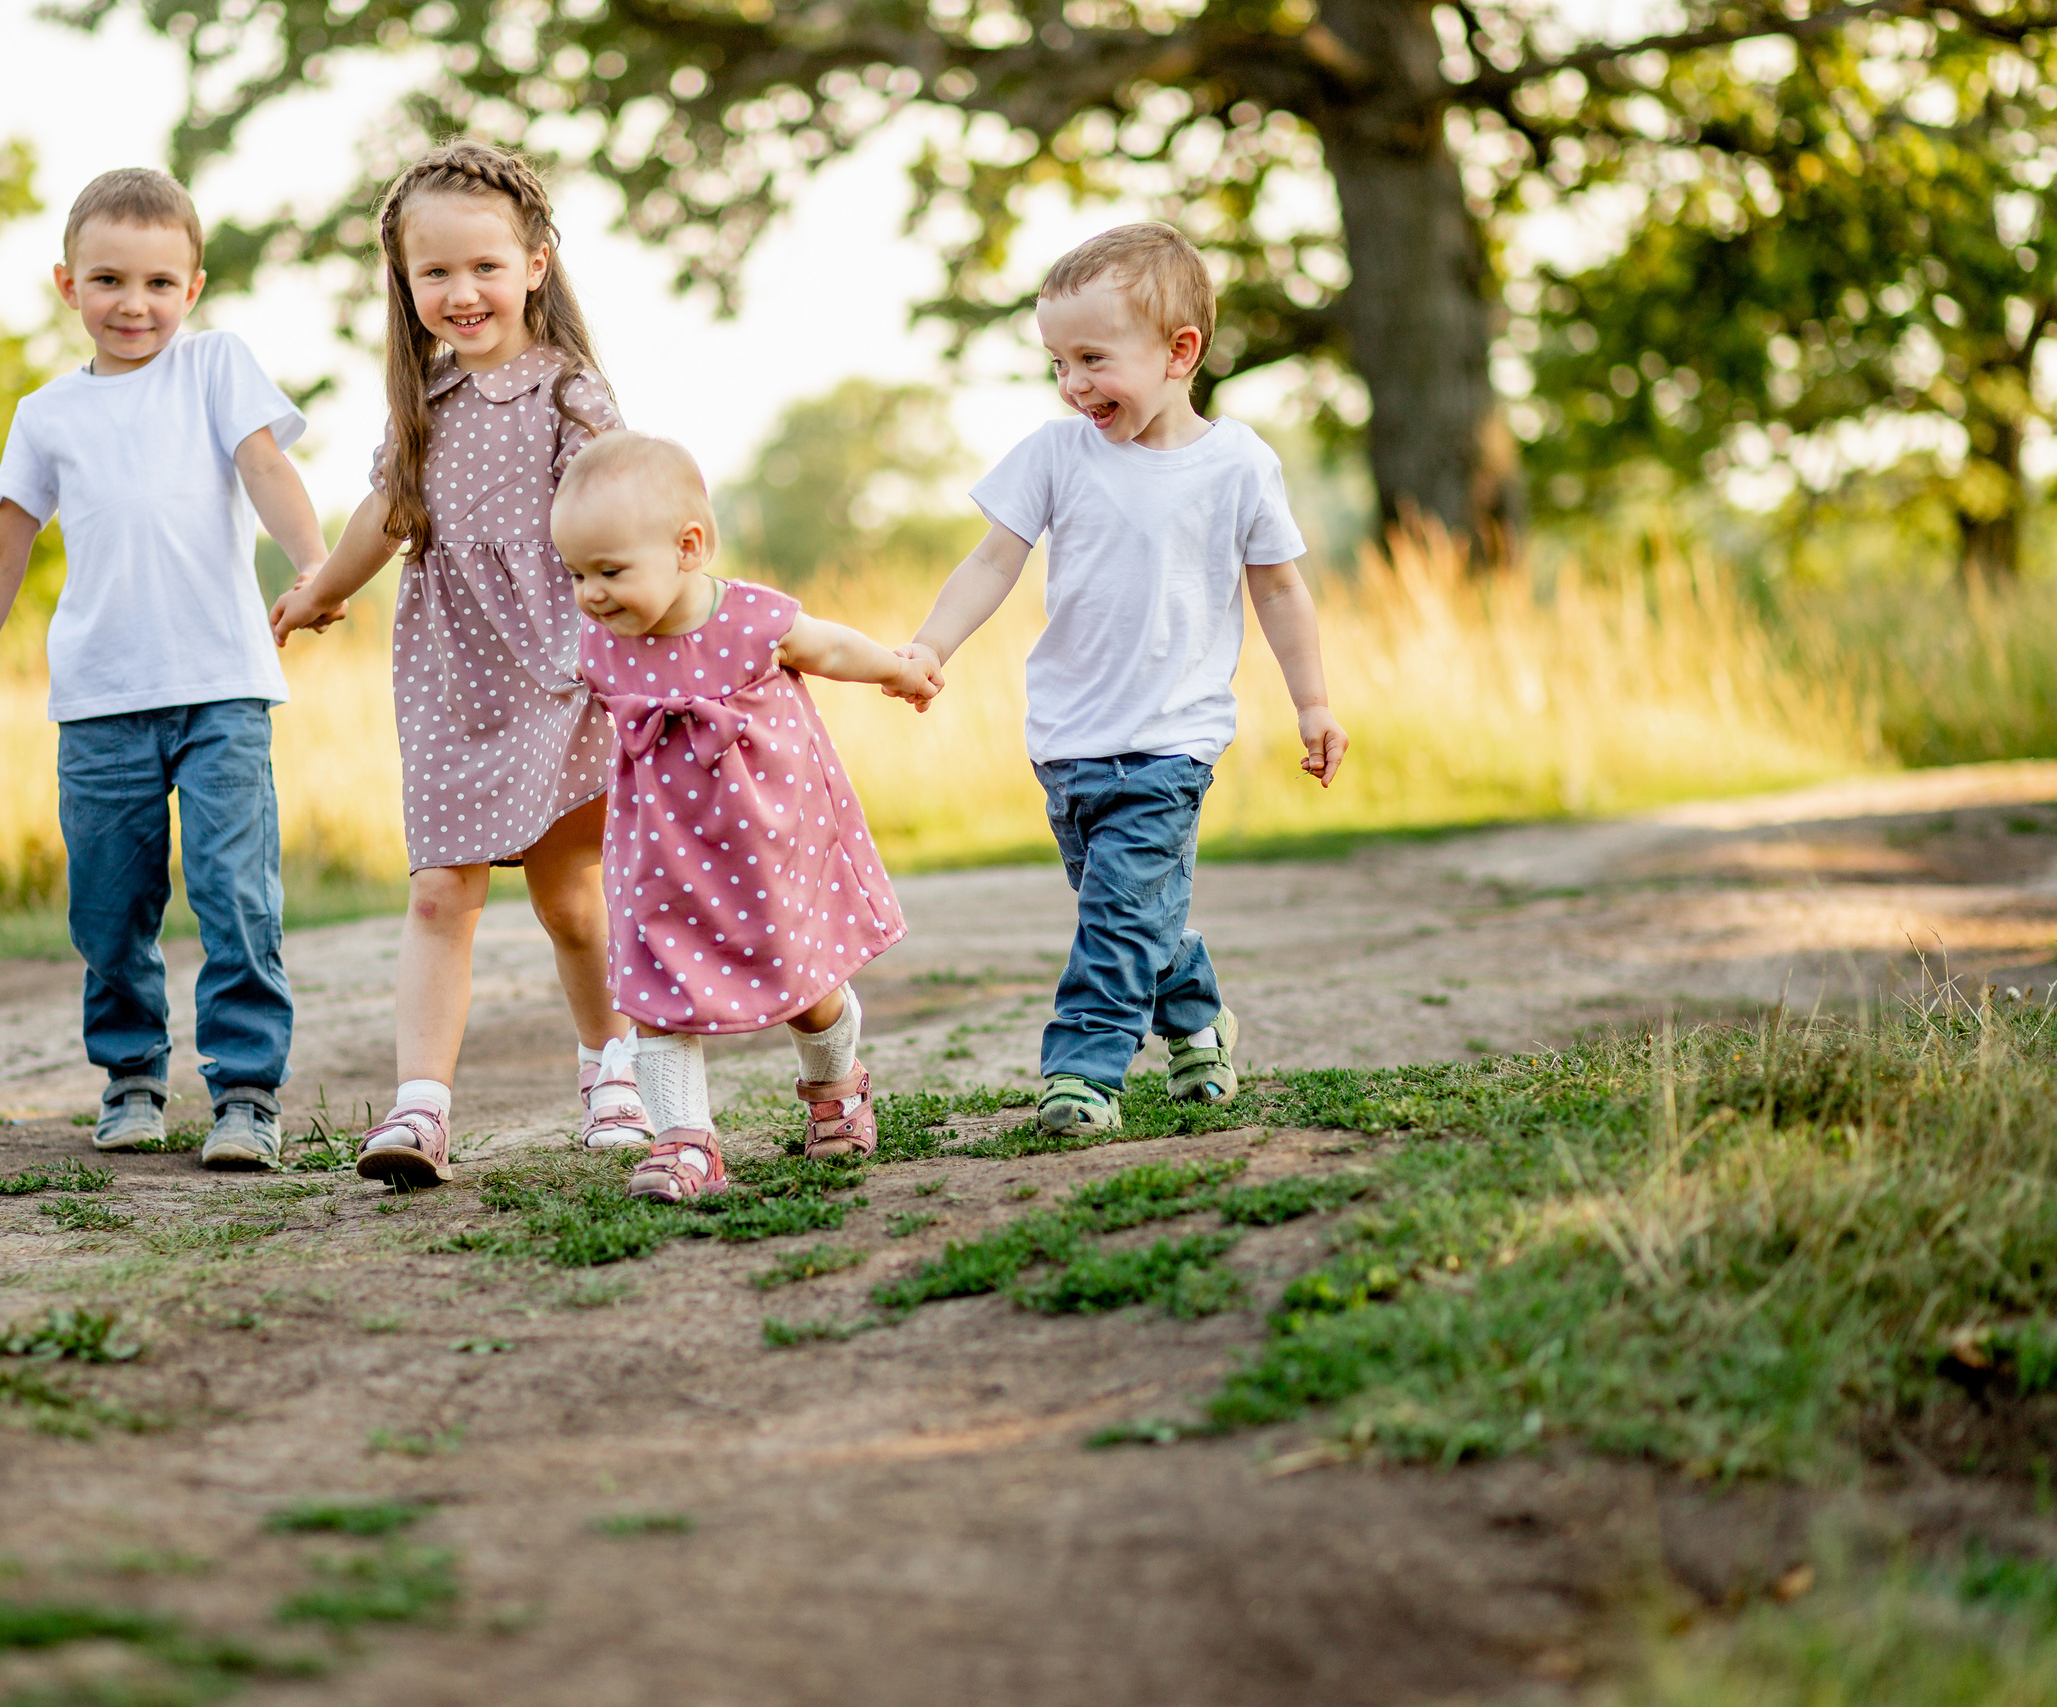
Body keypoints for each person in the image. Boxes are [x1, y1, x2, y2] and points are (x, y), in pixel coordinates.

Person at [900, 222, 1350, 1139]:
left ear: (1180, 351)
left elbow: (1281, 588)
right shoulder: (1057, 455)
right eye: (1058, 363)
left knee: (1116, 918)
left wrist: (1313, 703)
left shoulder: (1237, 465)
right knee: (1137, 914)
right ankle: (1198, 1020)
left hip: (1172, 741)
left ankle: (1084, 1073)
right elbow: (992, 562)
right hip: (1068, 743)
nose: (1073, 385)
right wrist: (929, 645)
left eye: (1094, 359)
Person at [0, 167, 324, 1169]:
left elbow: (267, 469)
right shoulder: (47, 414)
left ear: (190, 289)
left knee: (237, 897)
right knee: (109, 906)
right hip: (101, 700)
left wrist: (316, 566)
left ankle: (243, 1095)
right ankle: (133, 1077)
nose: (133, 304)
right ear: (66, 285)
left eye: (157, 283)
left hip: (223, 687)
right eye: (108, 280)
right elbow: (2, 551)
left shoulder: (216, 367)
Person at [269, 142, 647, 1188]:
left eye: (484, 265)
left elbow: (618, 511)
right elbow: (384, 514)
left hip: (561, 668)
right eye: (434, 272)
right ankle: (419, 1110)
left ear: (536, 262)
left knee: (571, 894)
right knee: (442, 890)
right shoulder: (421, 405)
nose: (461, 291)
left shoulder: (573, 394)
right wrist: (320, 589)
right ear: (405, 281)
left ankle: (613, 1070)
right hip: (450, 673)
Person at [551, 431, 936, 1202]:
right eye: (576, 574)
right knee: (655, 991)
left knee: (806, 981)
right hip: (660, 854)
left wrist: (898, 668)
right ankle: (685, 1142)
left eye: (611, 571)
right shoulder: (598, 643)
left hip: (770, 842)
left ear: (689, 546)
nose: (591, 592)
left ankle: (835, 1086)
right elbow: (555, 717)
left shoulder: (751, 618)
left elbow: (828, 645)